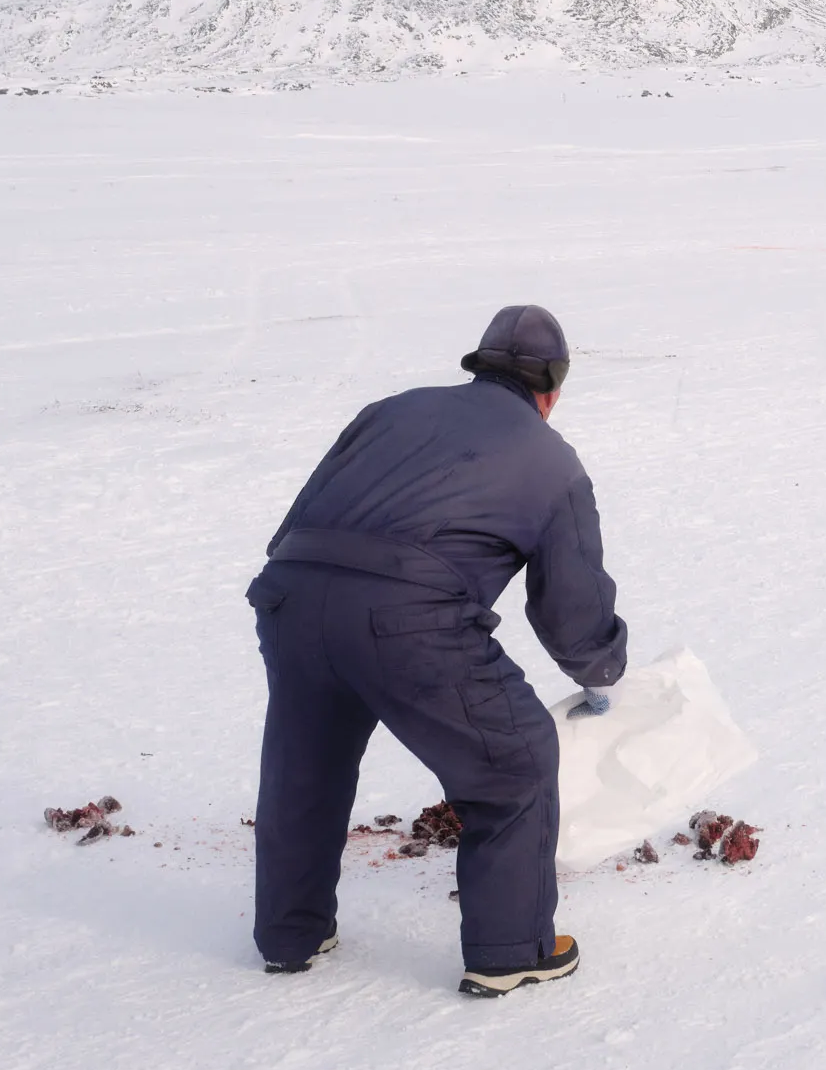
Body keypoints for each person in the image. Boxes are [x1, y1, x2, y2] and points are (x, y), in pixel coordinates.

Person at [244, 304, 628, 997]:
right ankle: (512, 951)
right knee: (514, 759)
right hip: (407, 619)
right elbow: (572, 613)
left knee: (307, 764)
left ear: (479, 366)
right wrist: (602, 671)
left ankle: (289, 934)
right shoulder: (551, 460)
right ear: (552, 389)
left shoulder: (388, 412)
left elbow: (297, 522)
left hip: (292, 598)